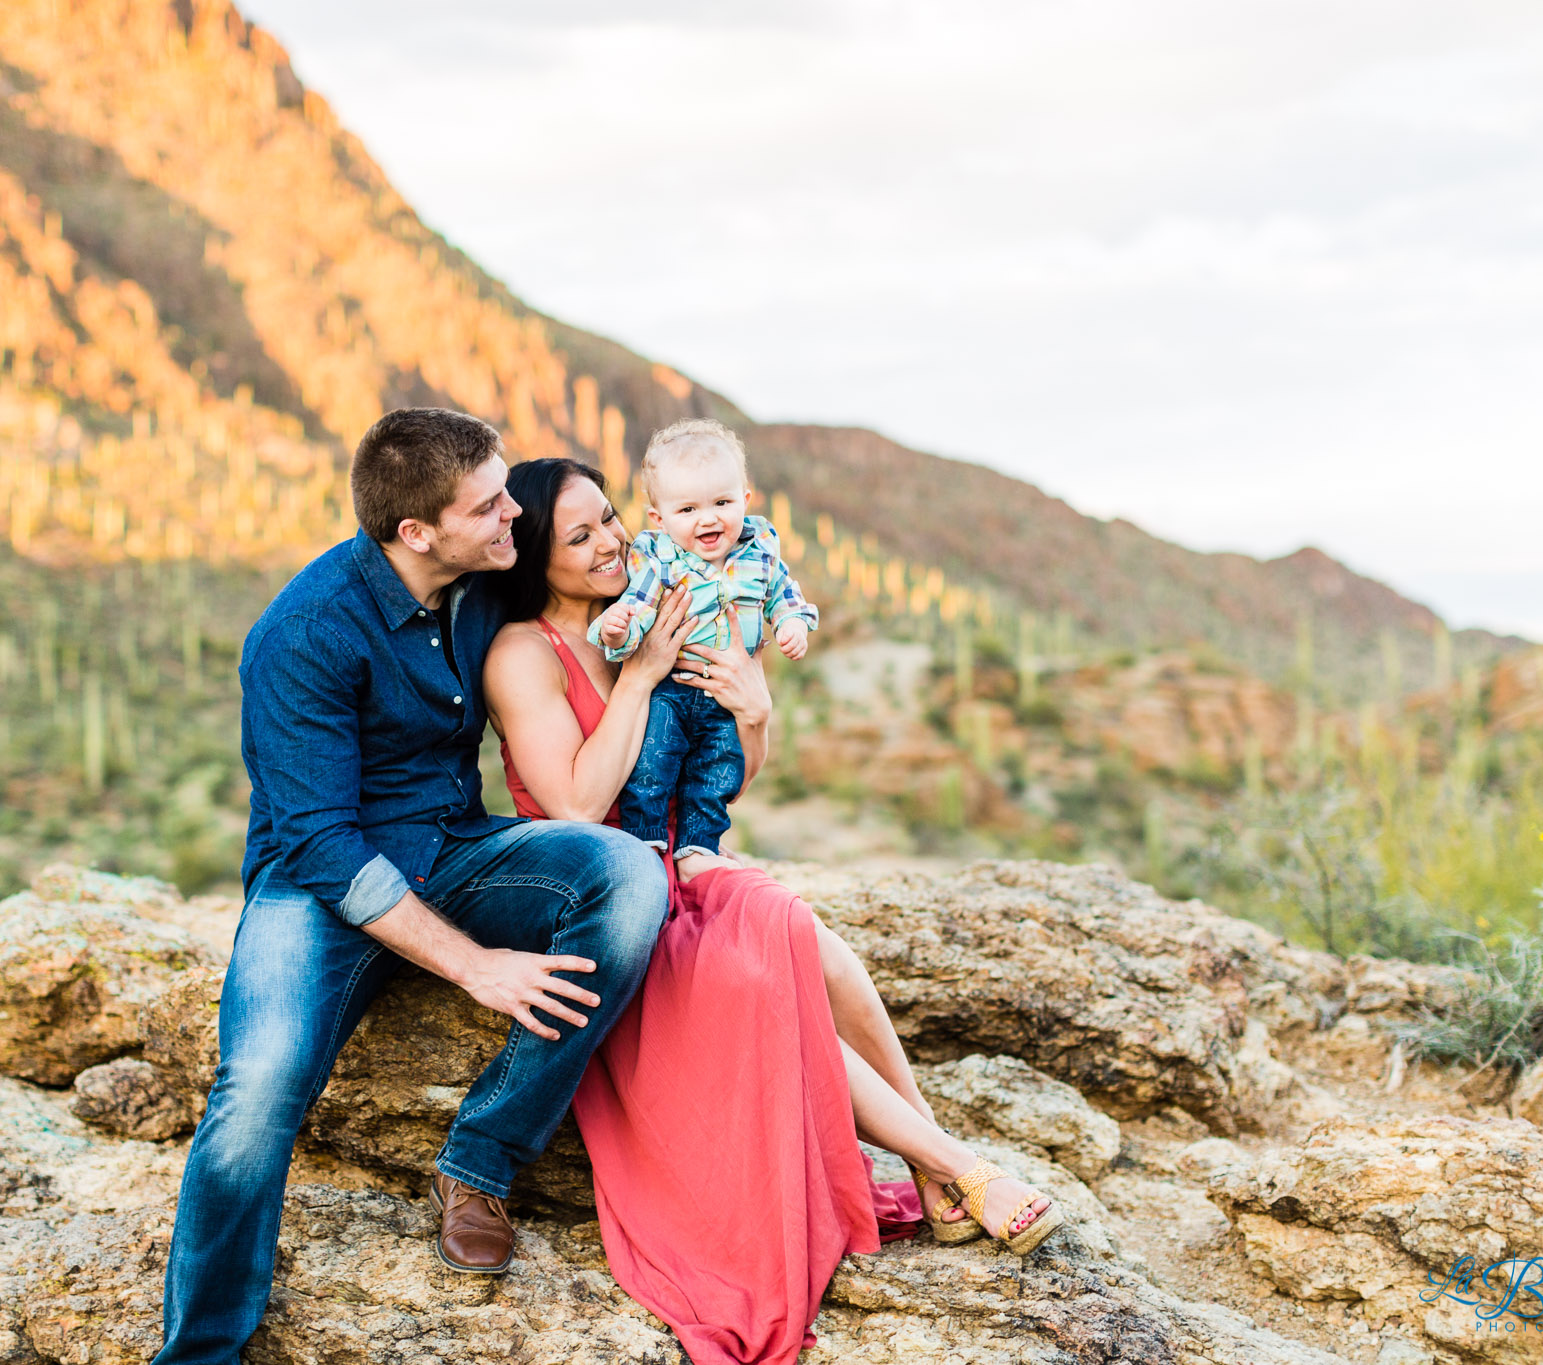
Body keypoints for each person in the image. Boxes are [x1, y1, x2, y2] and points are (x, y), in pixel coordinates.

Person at [483, 456, 1064, 1365]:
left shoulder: (665, 590)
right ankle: (959, 1168)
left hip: (689, 861)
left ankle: (925, 1156)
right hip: (611, 895)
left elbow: (731, 775)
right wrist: (637, 679)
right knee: (769, 989)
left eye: (609, 519)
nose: (610, 543)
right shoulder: (526, 650)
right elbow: (573, 808)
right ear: (531, 557)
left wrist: (755, 712)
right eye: (581, 535)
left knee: (807, 938)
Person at [152, 411, 669, 1365]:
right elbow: (322, 843)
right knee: (257, 1088)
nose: (514, 514)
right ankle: (202, 1352)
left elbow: (612, 562)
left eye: (508, 491)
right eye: (490, 504)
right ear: (416, 532)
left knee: (631, 876)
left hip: (459, 847)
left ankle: (478, 1161)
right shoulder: (303, 634)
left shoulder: (482, 574)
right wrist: (475, 967)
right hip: (321, 885)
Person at [589, 419, 818, 859]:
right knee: (653, 758)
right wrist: (619, 628)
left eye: (722, 502)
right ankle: (647, 834)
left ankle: (698, 847)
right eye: (688, 510)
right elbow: (637, 605)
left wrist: (792, 625)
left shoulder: (761, 556)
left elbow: (786, 597)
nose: (709, 518)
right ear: (659, 518)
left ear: (745, 500)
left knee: (716, 773)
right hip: (671, 688)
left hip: (727, 697)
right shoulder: (659, 562)